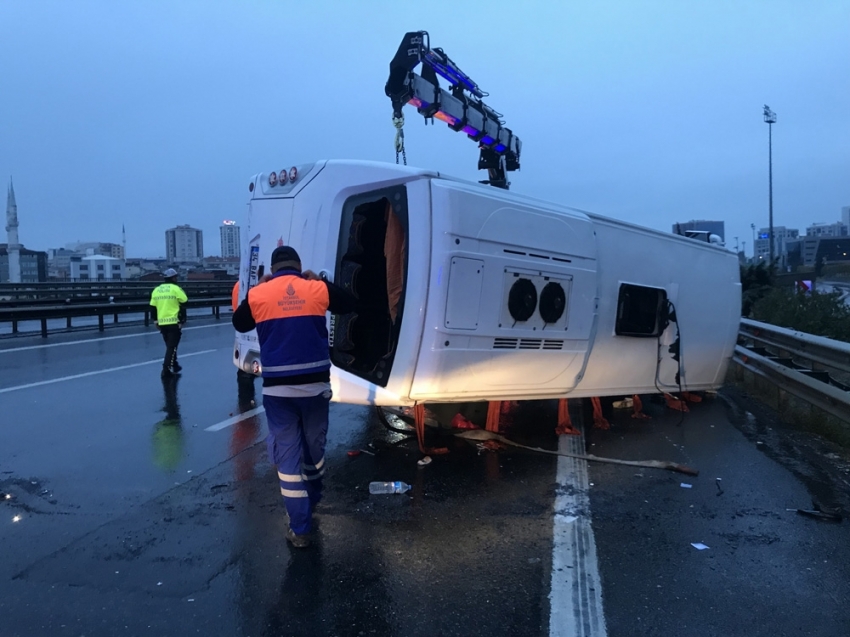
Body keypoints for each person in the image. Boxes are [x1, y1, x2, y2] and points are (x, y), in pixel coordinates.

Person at [232, 246, 356, 548]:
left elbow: (240, 323)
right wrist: (320, 282)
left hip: (278, 391)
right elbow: (350, 303)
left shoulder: (261, 294)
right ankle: (313, 498)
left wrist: (261, 289)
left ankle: (300, 530)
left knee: (288, 458)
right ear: (300, 267)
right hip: (315, 388)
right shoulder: (316, 288)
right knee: (314, 448)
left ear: (273, 269)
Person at [150, 268, 188, 378]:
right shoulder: (176, 289)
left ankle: (174, 365)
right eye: (176, 277)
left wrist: (155, 320)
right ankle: (166, 370)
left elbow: (153, 307)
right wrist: (182, 319)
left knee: (170, 346)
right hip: (173, 322)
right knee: (172, 347)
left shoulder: (157, 290)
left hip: (162, 323)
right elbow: (185, 301)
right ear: (173, 278)